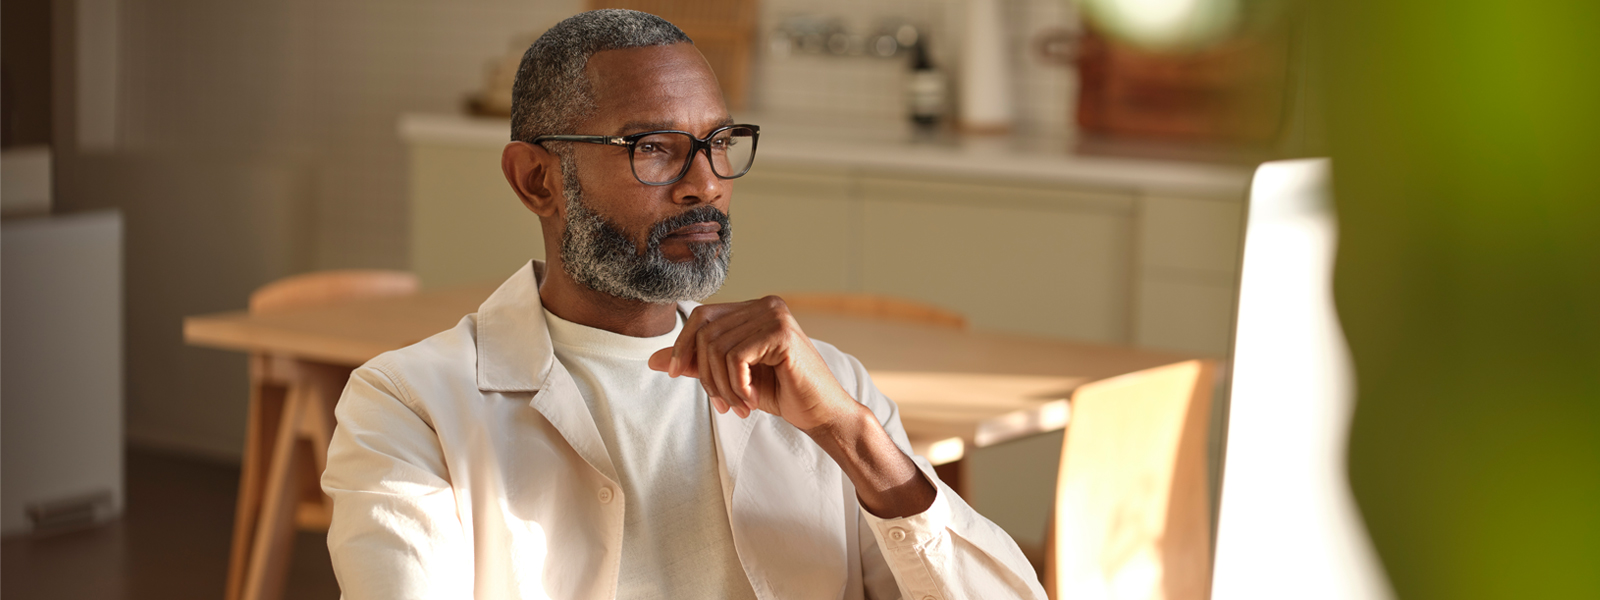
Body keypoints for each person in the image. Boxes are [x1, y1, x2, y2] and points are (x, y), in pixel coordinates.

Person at [322, 9, 1045, 600]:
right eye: (654, 148)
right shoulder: (409, 405)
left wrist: (855, 440)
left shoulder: (832, 392)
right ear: (538, 180)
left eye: (719, 142)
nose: (706, 183)